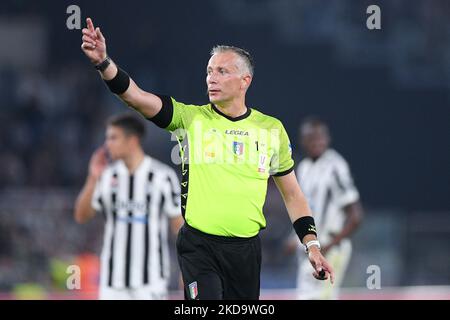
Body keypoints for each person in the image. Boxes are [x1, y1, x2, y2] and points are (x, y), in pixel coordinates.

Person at [80, 17, 334, 300]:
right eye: (209, 71)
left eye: (222, 71)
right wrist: (103, 63)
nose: (211, 78)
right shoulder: (190, 119)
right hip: (199, 247)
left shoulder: (271, 129)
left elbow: (293, 196)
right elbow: (136, 97)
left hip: (246, 251)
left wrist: (312, 246)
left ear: (244, 81)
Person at [74, 113, 183, 299]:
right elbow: (81, 216)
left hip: (151, 283)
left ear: (132, 141)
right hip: (112, 284)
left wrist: (187, 269)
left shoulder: (162, 177)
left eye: (113, 138)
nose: (107, 144)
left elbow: (179, 228)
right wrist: (92, 178)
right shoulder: (107, 177)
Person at [286, 117, 363, 299]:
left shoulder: (335, 167)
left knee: (317, 297)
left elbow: (356, 216)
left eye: (320, 137)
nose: (317, 142)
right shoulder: (304, 168)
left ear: (327, 139)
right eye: (311, 137)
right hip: (310, 248)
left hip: (329, 247)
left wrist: (329, 245)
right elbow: (304, 208)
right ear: (302, 141)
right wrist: (294, 238)